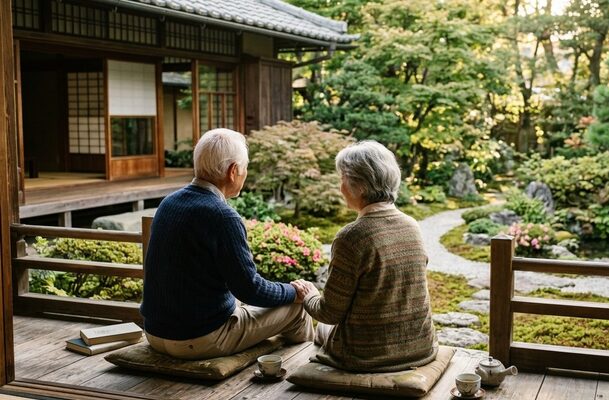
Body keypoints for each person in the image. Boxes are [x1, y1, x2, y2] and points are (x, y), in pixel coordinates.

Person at [140, 128, 315, 360]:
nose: (245, 173)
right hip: (199, 339)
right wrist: (294, 291)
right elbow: (251, 289)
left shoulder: (168, 203)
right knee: (297, 309)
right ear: (233, 171)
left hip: (155, 332)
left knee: (242, 303)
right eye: (245, 168)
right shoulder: (222, 215)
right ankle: (299, 367)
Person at [293, 140, 438, 372]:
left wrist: (309, 294)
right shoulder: (412, 225)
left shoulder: (351, 237)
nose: (340, 187)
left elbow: (329, 312)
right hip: (421, 347)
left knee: (321, 329)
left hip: (367, 354)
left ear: (358, 186)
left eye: (343, 179)